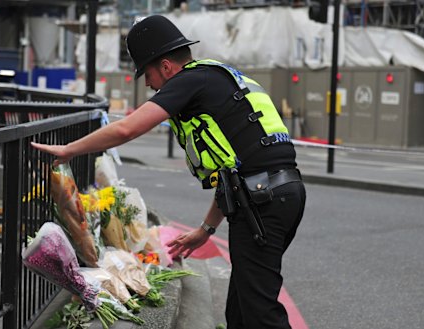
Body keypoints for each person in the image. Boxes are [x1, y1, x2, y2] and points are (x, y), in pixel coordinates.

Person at [32, 14, 306, 329]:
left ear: (165, 66)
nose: (148, 84)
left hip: (264, 202)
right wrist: (206, 229)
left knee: (260, 313)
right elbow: (234, 169)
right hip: (276, 194)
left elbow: (126, 129)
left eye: (146, 73)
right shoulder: (216, 78)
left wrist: (68, 149)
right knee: (242, 311)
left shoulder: (189, 80)